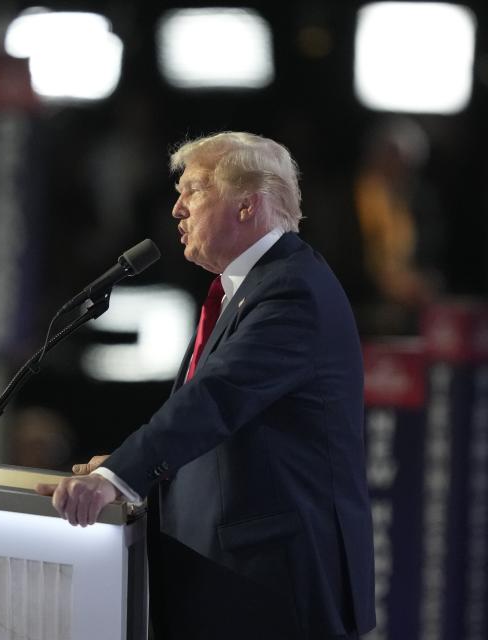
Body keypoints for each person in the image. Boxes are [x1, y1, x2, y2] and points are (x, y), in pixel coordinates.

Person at [36, 132, 375, 639]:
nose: (176, 209)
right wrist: (124, 467)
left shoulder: (292, 289)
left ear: (247, 205)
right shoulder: (251, 289)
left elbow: (215, 399)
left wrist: (118, 478)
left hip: (277, 589)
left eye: (193, 190)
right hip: (238, 581)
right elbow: (220, 434)